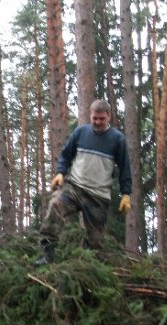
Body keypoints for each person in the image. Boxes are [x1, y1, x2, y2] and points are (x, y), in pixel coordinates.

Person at [35, 99, 132, 265]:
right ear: (90, 116)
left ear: (108, 116)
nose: (98, 122)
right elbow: (66, 154)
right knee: (55, 205)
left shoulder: (117, 139)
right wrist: (60, 173)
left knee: (96, 240)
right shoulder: (81, 132)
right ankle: (48, 255)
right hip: (75, 188)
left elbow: (125, 168)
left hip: (98, 196)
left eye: (101, 118)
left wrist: (126, 194)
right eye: (95, 118)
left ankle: (90, 268)